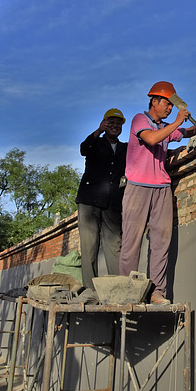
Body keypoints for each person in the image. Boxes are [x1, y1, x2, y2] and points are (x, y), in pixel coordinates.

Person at [119, 81, 196, 304]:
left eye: (172, 105)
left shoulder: (166, 127)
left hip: (161, 188)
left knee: (161, 242)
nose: (170, 108)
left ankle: (157, 292)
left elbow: (183, 132)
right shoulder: (140, 120)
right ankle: (126, 291)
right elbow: (151, 138)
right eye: (167, 104)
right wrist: (178, 121)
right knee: (132, 242)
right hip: (137, 186)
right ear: (154, 101)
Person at [76, 108, 128, 291]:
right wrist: (98, 131)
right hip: (89, 201)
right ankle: (90, 289)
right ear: (104, 124)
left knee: (115, 246)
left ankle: (116, 288)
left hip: (112, 204)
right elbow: (83, 149)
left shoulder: (125, 148)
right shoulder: (95, 143)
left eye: (118, 123)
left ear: (122, 126)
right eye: (111, 122)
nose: (115, 126)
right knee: (90, 246)